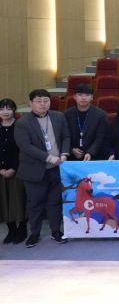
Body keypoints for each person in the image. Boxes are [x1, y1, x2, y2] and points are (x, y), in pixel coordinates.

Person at [14, 89, 71, 247]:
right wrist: (48, 157)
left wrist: (64, 153)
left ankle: (56, 231)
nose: (43, 104)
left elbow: (66, 136)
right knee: (35, 203)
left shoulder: (58, 116)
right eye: (38, 101)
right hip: (34, 170)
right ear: (30, 103)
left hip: (56, 168)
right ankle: (35, 233)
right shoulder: (22, 123)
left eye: (46, 101)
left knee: (55, 202)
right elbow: (25, 146)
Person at [0, 98, 26, 244]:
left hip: (19, 170)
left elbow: (24, 149)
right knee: (4, 201)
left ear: (14, 110)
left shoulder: (20, 127)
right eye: (2, 109)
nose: (5, 112)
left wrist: (13, 168)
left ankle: (22, 229)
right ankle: (11, 230)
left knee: (19, 200)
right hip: (1, 172)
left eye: (9, 108)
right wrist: (1, 169)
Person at [64, 83, 106, 161]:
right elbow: (64, 136)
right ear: (75, 97)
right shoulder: (66, 114)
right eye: (80, 95)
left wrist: (90, 152)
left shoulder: (100, 115)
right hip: (72, 156)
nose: (83, 98)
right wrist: (71, 149)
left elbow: (100, 137)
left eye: (87, 95)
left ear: (92, 97)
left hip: (93, 156)